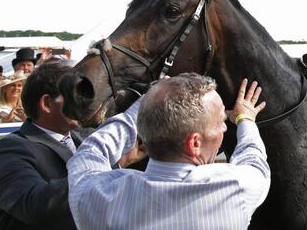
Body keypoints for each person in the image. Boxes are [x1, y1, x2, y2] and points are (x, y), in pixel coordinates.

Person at [68, 74, 270, 230]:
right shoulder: (235, 188)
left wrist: (139, 110)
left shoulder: (95, 198)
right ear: (194, 143)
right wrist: (244, 118)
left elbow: (90, 152)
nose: (225, 128)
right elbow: (253, 160)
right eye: (220, 122)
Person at [0, 61, 86, 230]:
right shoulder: (9, 150)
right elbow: (38, 207)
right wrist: (101, 171)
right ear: (46, 103)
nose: (84, 102)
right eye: (75, 95)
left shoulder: (85, 138)